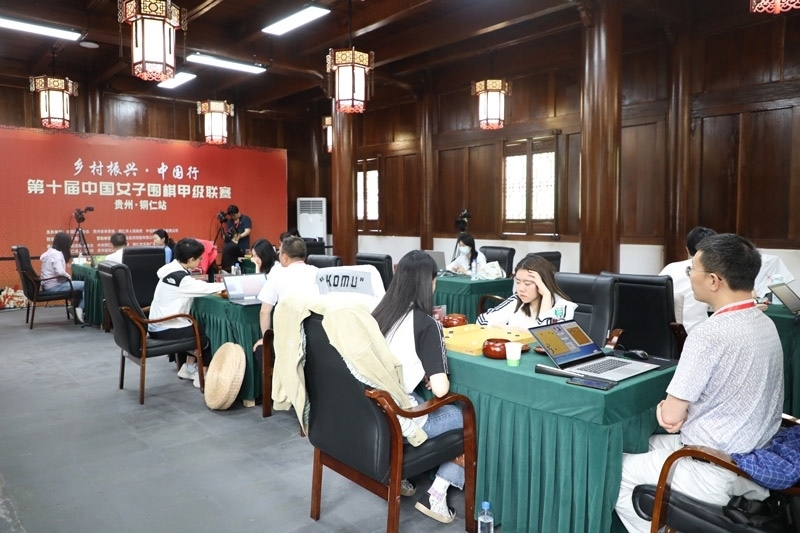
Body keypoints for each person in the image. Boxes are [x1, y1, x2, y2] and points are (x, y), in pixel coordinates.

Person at [615, 233, 784, 532]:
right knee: (642, 444)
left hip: (714, 469)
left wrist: (665, 410)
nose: (689, 275)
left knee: (611, 469)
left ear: (714, 280)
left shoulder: (708, 334)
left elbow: (670, 417)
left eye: (692, 269)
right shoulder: (766, 323)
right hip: (755, 461)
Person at [372, 250, 465, 524]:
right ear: (429, 282)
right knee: (466, 417)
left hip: (375, 410)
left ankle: (403, 477)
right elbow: (440, 390)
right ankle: (437, 493)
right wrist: (435, 372)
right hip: (402, 415)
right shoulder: (426, 323)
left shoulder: (380, 313)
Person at [148, 238, 226, 388]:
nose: (201, 260)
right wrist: (227, 285)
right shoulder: (181, 279)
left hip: (155, 325)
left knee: (193, 326)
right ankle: (202, 377)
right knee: (203, 339)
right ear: (191, 260)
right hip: (165, 328)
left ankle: (189, 368)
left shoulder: (169, 268)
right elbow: (205, 288)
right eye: (200, 258)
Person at [253, 236, 319, 352]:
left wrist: (265, 339)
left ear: (284, 258)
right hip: (316, 337)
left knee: (259, 350)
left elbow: (264, 312)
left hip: (288, 339)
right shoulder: (317, 271)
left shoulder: (277, 274)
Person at [476, 253, 577, 328]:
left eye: (527, 283)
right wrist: (508, 329)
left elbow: (549, 337)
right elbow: (482, 320)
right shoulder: (516, 300)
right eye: (518, 282)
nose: (521, 289)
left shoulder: (562, 307)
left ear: (543, 284)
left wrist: (546, 295)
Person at [659, 226, 717, 332]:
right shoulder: (716, 273)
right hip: (698, 332)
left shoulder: (670, 268)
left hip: (666, 333)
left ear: (687, 249)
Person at [40, 232, 85, 323]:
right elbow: (60, 272)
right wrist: (69, 277)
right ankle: (80, 308)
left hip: (48, 285)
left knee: (78, 285)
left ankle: (75, 307)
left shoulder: (50, 252)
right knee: (86, 285)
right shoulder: (56, 255)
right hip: (54, 286)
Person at [221, 204, 252, 271]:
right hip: (233, 248)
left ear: (237, 212)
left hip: (242, 246)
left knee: (244, 265)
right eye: (231, 216)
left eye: (233, 215)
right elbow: (229, 233)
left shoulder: (245, 219)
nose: (232, 217)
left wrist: (238, 237)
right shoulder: (230, 221)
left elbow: (247, 231)